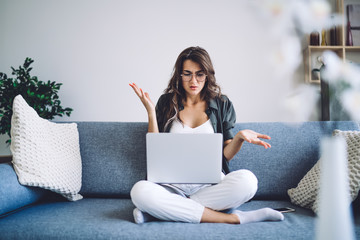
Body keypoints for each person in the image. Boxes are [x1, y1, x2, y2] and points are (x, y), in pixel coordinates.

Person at [129, 46, 284, 224]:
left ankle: (160, 211)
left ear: (207, 75)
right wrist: (150, 112)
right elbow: (155, 148)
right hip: (171, 187)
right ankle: (233, 218)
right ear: (179, 75)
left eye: (200, 74)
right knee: (139, 191)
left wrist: (239, 137)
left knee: (248, 181)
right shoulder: (167, 102)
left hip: (209, 187)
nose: (193, 80)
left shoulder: (222, 103)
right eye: (187, 74)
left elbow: (225, 156)